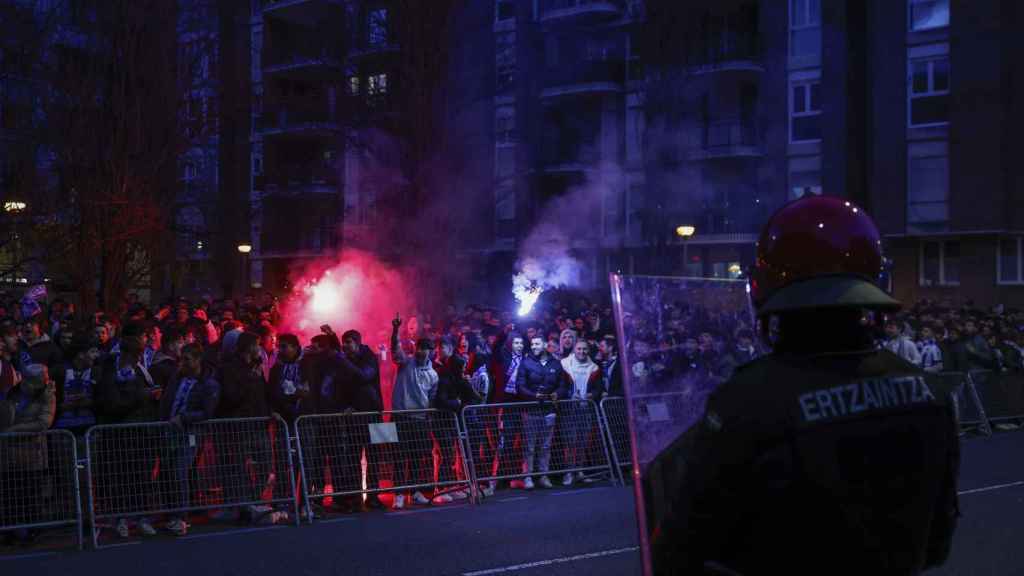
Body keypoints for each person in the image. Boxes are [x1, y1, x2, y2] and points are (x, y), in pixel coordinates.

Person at [646, 196, 959, 575]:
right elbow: (938, 543)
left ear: (761, 289)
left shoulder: (746, 401)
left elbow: (682, 550)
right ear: (877, 279)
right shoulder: (931, 394)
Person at [157, 343, 220, 536]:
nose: (182, 363)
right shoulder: (177, 379)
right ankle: (170, 514)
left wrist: (184, 418)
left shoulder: (210, 384)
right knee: (166, 471)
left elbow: (207, 412)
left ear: (198, 360)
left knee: (180, 471)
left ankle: (180, 516)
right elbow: (167, 401)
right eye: (181, 359)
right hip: (168, 431)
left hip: (190, 433)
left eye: (187, 359)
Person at [389, 315, 438, 509]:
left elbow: (432, 399)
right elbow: (395, 349)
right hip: (399, 417)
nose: (420, 351)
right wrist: (395, 330)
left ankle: (416, 492)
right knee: (399, 457)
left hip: (419, 420)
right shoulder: (405, 362)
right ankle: (399, 494)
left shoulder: (434, 375)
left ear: (430, 352)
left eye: (424, 349)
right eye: (418, 348)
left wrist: (429, 418)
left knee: (417, 457)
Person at [515, 336, 570, 490]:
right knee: (530, 446)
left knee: (546, 446)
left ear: (545, 345)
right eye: (532, 344)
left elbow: (563, 385)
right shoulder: (526, 363)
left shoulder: (555, 363)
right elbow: (520, 386)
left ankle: (544, 476)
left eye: (537, 344)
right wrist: (533, 396)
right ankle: (528, 477)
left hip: (549, 411)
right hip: (531, 410)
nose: (534, 346)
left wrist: (557, 394)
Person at [559, 340, 602, 486]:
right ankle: (568, 472)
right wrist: (569, 395)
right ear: (574, 349)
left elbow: (598, 388)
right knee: (569, 443)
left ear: (588, 350)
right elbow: (561, 386)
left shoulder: (594, 367)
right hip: (569, 410)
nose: (581, 352)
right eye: (579, 349)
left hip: (586, 409)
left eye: (584, 349)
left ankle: (579, 471)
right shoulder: (564, 364)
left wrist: (592, 395)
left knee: (582, 443)